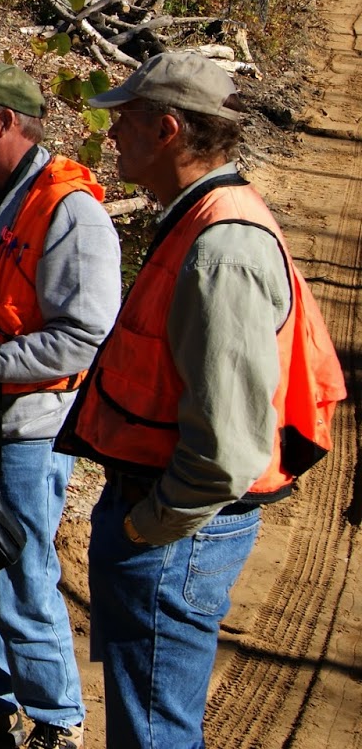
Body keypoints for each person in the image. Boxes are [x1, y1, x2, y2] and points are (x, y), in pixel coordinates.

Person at [57, 52, 345, 749]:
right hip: (166, 521)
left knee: (155, 736)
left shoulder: (223, 249)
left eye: (124, 119)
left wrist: (143, 529)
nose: (111, 134)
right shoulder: (203, 220)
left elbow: (228, 450)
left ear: (168, 128)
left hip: (177, 531)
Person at [0, 63, 122, 749]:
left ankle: (57, 721)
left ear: (5, 120)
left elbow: (84, 336)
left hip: (23, 435)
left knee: (21, 574)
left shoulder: (73, 211)